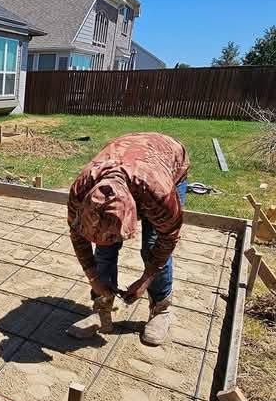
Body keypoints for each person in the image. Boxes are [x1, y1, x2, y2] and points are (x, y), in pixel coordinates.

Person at [66, 132, 189, 346]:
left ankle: (161, 310)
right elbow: (78, 236)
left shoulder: (159, 193)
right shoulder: (80, 191)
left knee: (152, 245)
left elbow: (168, 238)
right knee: (105, 250)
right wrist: (95, 279)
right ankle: (102, 309)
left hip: (167, 160)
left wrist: (146, 278)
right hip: (128, 154)